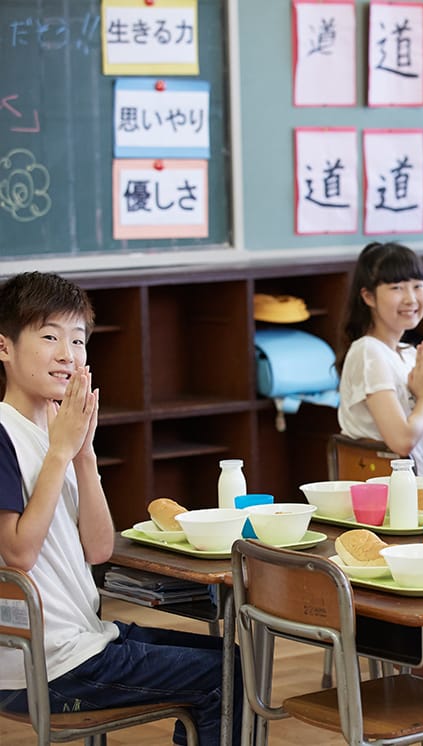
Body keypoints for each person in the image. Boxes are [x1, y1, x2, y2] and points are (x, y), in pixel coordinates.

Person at [0, 272, 240, 746]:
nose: (68, 354)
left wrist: (83, 455)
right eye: (49, 337)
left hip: (81, 640)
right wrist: (59, 453)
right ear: (4, 347)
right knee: (224, 677)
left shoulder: (59, 432)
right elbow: (18, 554)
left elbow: (99, 547)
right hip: (43, 667)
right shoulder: (5, 435)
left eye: (78, 339)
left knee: (234, 659)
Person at [336, 242, 423, 489]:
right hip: (399, 491)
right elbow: (401, 442)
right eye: (397, 288)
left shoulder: (411, 355)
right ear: (368, 296)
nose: (411, 298)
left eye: (417, 286)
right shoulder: (368, 351)